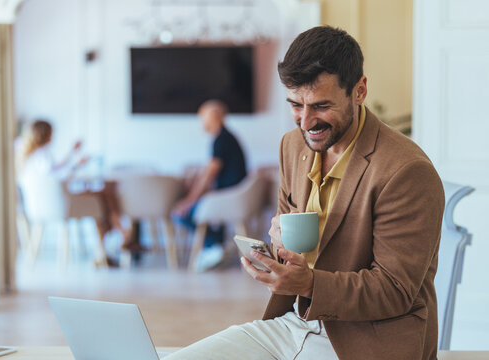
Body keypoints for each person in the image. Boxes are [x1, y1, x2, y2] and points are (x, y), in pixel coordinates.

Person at [164, 26, 445, 359]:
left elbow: (395, 291)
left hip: (369, 341)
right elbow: (293, 234)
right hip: (295, 321)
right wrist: (278, 245)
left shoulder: (406, 171)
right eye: (295, 104)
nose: (306, 121)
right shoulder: (293, 145)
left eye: (321, 105)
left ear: (359, 91)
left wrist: (308, 284)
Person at [17, 120, 141, 267]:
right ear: (46, 134)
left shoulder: (29, 158)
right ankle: (122, 236)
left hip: (38, 207)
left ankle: (111, 245)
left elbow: (55, 169)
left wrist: (72, 154)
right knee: (104, 195)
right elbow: (58, 177)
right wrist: (76, 165)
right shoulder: (42, 156)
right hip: (61, 204)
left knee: (102, 197)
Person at [172, 100, 247, 271]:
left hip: (229, 196)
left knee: (182, 214)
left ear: (213, 118)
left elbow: (209, 175)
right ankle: (217, 245)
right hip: (231, 194)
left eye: (202, 117)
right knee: (203, 210)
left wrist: (189, 201)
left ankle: (213, 246)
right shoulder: (226, 137)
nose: (201, 122)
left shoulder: (221, 140)